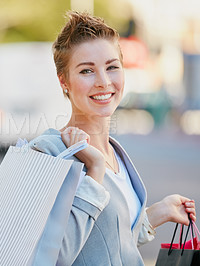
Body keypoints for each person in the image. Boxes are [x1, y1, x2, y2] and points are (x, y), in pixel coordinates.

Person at [49, 11, 196, 265]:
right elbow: (55, 255)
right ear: (64, 81)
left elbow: (103, 244)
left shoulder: (115, 152)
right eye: (86, 71)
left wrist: (156, 213)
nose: (104, 82)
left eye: (112, 67)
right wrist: (94, 171)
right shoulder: (50, 153)